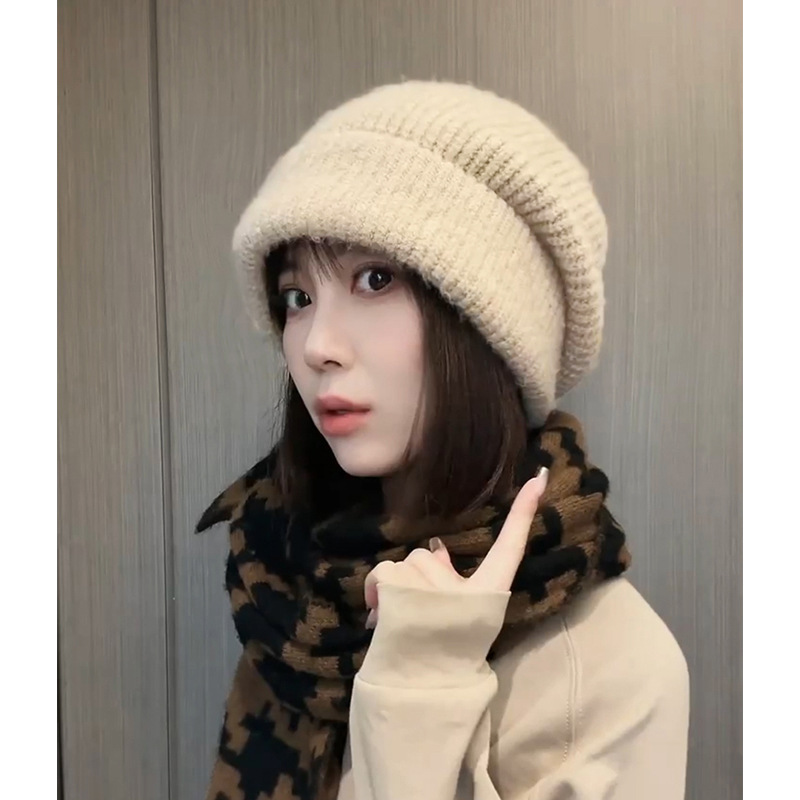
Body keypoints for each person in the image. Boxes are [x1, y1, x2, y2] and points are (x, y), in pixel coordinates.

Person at [196, 80, 690, 800]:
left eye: (375, 278)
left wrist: (419, 677)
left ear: (488, 328)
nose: (316, 345)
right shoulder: (293, 589)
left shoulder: (612, 670)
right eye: (298, 297)